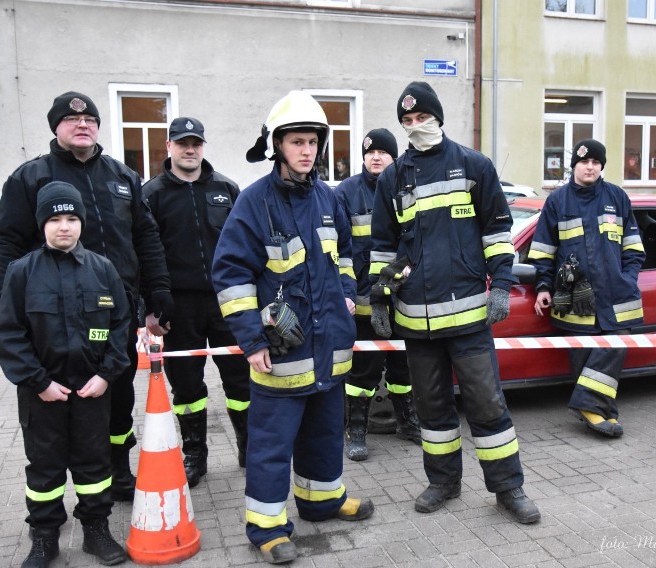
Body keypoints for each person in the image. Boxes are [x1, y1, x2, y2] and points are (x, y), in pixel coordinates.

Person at [213, 90, 374, 564]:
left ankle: (321, 499)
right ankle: (266, 527)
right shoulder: (253, 203)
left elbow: (346, 253)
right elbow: (230, 274)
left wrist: (346, 291)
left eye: (313, 142)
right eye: (297, 142)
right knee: (271, 444)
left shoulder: (329, 198)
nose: (307, 151)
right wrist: (250, 339)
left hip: (328, 346)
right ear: (276, 146)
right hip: (279, 351)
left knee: (325, 431)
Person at [369, 81, 540, 524]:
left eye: (421, 118)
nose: (414, 127)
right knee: (433, 408)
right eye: (406, 122)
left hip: (468, 319)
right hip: (417, 323)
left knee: (486, 405)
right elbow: (384, 249)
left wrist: (501, 284)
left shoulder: (473, 165)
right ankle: (443, 481)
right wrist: (381, 299)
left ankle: (508, 488)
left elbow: (498, 232)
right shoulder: (393, 177)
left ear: (438, 118)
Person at [0, 91, 173, 501]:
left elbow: (145, 237)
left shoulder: (122, 176)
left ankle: (117, 471)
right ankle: (61, 485)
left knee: (117, 392)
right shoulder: (30, 177)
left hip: (113, 313)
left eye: (90, 118)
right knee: (58, 404)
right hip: (52, 319)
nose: (83, 124)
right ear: (56, 127)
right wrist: (6, 299)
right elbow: (5, 240)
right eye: (73, 120)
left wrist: (158, 290)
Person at [0, 182, 131, 568]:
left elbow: (121, 326)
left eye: (72, 218)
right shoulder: (22, 273)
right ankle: (44, 538)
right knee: (45, 466)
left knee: (94, 465)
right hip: (42, 393)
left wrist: (107, 375)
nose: (64, 227)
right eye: (54, 219)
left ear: (82, 223)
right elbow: (10, 333)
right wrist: (38, 382)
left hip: (93, 388)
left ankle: (96, 531)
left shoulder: (103, 269)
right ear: (42, 224)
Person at [142, 117, 250, 488]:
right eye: (182, 143)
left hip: (226, 302)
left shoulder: (226, 189)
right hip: (177, 308)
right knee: (187, 388)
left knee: (240, 381)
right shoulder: (151, 194)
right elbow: (144, 253)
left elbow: (244, 245)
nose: (190, 149)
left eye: (196, 143)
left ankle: (248, 447)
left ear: (203, 146)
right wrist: (151, 307)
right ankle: (194, 455)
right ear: (169, 146)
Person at [528, 139, 645, 439]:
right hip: (573, 295)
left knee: (615, 346)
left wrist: (627, 278)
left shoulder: (617, 197)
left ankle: (590, 406)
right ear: (574, 167)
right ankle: (602, 412)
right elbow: (543, 250)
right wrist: (543, 286)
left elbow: (633, 248)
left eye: (595, 162)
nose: (590, 167)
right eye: (584, 162)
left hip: (616, 296)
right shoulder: (558, 201)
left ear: (602, 166)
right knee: (582, 358)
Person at [335, 128, 421, 461]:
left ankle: (408, 422)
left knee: (404, 367)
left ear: (394, 157)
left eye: (383, 152)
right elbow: (339, 248)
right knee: (364, 370)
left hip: (403, 296)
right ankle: (356, 429)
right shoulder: (346, 193)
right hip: (364, 297)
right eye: (370, 152)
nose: (376, 157)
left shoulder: (407, 190)